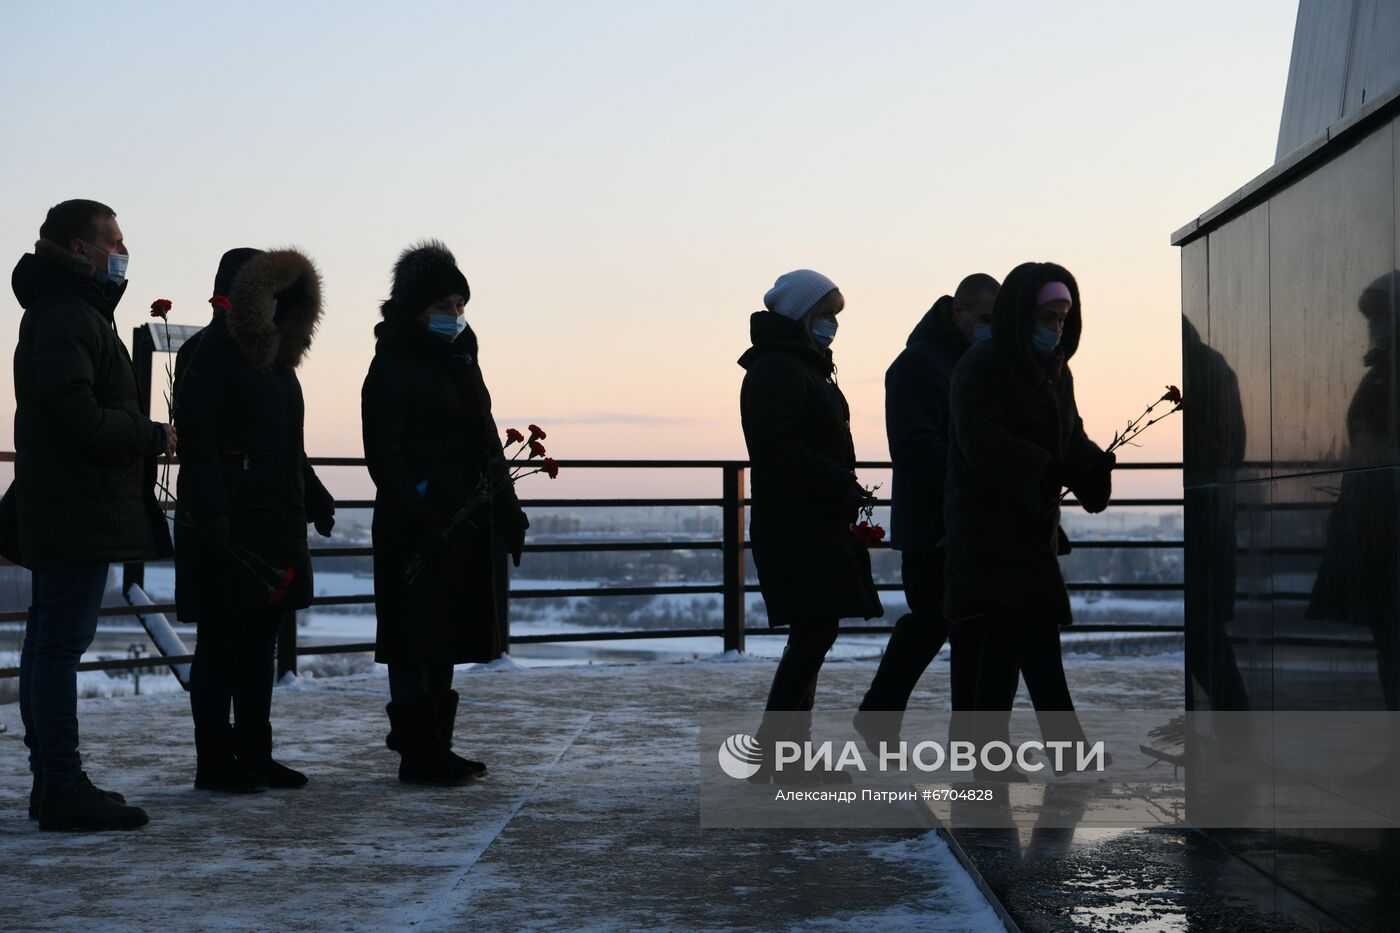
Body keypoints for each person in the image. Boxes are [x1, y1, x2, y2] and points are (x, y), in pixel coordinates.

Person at [3, 199, 173, 830]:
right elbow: (78, 418)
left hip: (68, 503)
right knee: (58, 648)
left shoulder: (67, 312)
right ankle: (63, 784)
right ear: (80, 250)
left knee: (50, 643)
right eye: (114, 242)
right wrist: (150, 434)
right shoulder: (68, 315)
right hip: (75, 506)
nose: (122, 253)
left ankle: (52, 782)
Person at [361, 241, 528, 786]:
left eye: (459, 305)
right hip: (417, 525)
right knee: (414, 638)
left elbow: (486, 440)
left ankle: (436, 745)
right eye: (442, 306)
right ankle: (418, 752)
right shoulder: (392, 365)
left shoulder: (463, 362)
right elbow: (383, 455)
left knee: (446, 632)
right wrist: (419, 516)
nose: (454, 316)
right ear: (414, 309)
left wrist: (508, 509)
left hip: (462, 521)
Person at [174, 247, 335, 793]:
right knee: (222, 646)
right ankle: (214, 762)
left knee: (259, 644)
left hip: (273, 521)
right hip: (228, 524)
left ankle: (254, 753)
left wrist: (314, 494)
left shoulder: (275, 362)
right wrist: (214, 514)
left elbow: (290, 444)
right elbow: (197, 444)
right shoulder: (206, 353)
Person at [944, 262, 1113, 771]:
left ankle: (985, 753)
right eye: (1048, 317)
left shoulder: (1055, 371)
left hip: (1028, 525)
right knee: (1034, 631)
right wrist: (1049, 469)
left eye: (1064, 318)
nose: (1057, 328)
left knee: (1004, 643)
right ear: (1022, 315)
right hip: (990, 527)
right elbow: (982, 443)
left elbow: (1070, 434)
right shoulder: (982, 365)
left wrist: (1090, 463)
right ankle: (1065, 748)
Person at [738, 269, 883, 782]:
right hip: (797, 522)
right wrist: (839, 485)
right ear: (801, 316)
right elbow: (778, 449)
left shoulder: (799, 366)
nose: (832, 325)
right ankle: (774, 754)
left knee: (813, 631)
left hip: (810, 518)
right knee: (814, 632)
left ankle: (784, 755)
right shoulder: (779, 369)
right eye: (826, 315)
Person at [854, 274, 999, 752]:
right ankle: (885, 717)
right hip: (935, 522)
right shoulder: (918, 364)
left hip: (959, 519)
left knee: (954, 627)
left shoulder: (963, 360)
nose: (990, 329)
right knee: (938, 622)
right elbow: (915, 448)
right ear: (958, 311)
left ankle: (891, 719)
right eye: (984, 319)